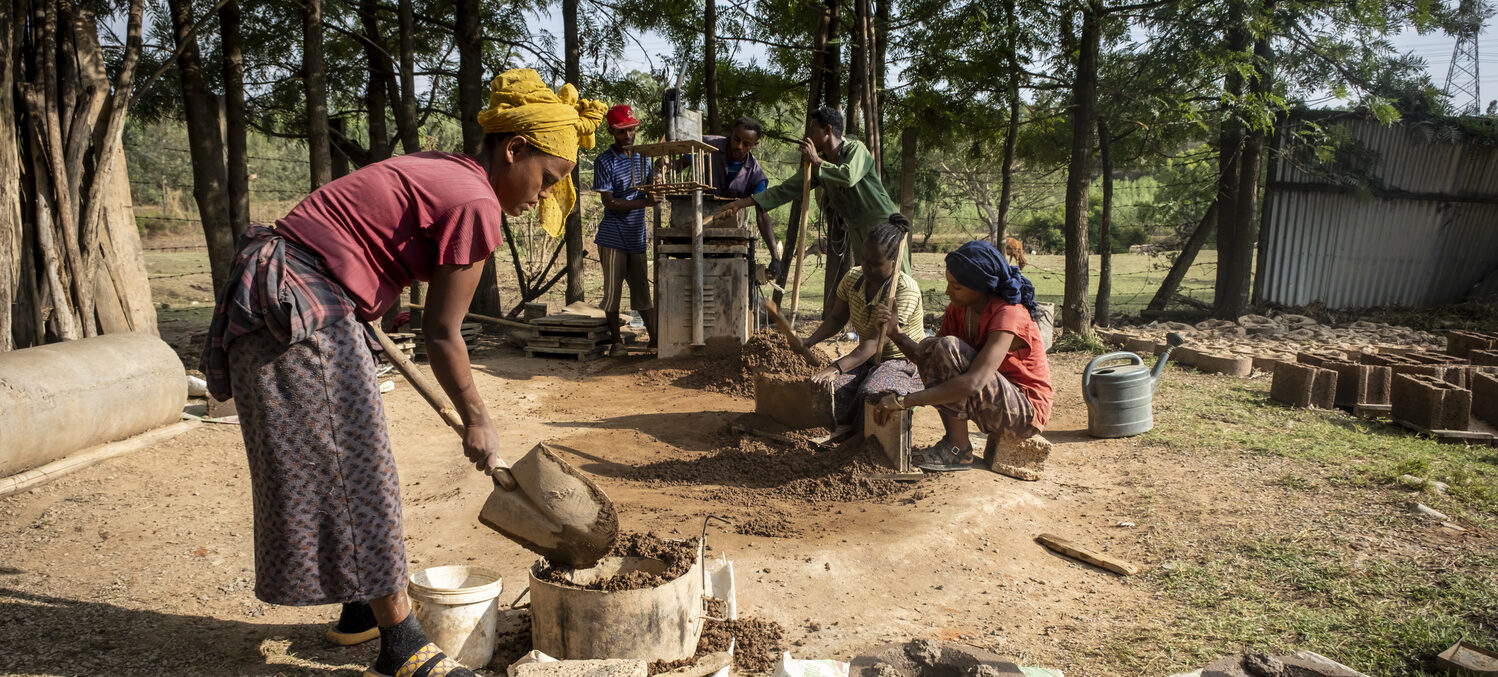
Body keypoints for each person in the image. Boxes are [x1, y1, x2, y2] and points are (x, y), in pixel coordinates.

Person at [199, 69, 605, 677]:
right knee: (355, 466)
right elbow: (444, 336)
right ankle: (402, 644)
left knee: (333, 461)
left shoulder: (453, 173)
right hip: (299, 303)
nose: (542, 197)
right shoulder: (476, 202)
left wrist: (371, 299)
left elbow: (369, 246)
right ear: (514, 149)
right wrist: (478, 419)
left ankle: (362, 607)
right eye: (546, 179)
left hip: (285, 290)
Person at [870, 239, 1053, 472]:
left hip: (1024, 412)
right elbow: (929, 359)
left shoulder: (1008, 314)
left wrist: (903, 402)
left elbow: (973, 383)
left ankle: (959, 450)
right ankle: (954, 444)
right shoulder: (959, 310)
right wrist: (896, 334)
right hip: (993, 400)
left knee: (947, 347)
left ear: (981, 286)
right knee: (933, 347)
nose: (948, 292)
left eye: (956, 287)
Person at [723, 107, 906, 314]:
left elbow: (848, 176)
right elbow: (784, 191)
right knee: (871, 280)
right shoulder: (817, 165)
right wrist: (742, 203)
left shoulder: (855, 149)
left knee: (898, 280)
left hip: (882, 223)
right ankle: (876, 334)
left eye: (812, 129)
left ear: (827, 130)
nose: (807, 135)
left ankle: (905, 333)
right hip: (857, 228)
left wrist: (816, 160)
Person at [800, 214, 925, 426]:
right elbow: (837, 318)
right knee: (829, 391)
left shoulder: (904, 290)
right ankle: (843, 434)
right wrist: (809, 341)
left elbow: (875, 342)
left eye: (875, 264)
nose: (866, 267)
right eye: (863, 259)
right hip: (866, 359)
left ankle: (869, 445)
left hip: (901, 361)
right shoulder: (852, 278)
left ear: (893, 263)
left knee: (872, 395)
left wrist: (836, 368)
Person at [593, 103, 660, 356]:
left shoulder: (644, 159)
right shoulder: (604, 161)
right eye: (622, 131)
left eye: (631, 130)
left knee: (642, 289)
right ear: (611, 131)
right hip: (613, 236)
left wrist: (665, 172)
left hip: (636, 236)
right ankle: (616, 343)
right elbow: (609, 202)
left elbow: (654, 187)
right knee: (613, 291)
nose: (628, 136)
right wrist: (646, 202)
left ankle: (654, 341)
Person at [703, 117, 780, 274]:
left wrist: (775, 257)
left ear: (754, 145)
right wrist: (666, 166)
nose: (739, 146)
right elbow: (680, 161)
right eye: (736, 139)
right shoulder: (707, 146)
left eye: (746, 144)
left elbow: (762, 213)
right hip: (697, 227)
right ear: (731, 134)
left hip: (729, 239)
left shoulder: (757, 175)